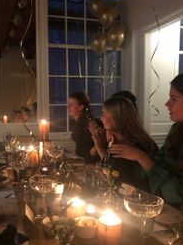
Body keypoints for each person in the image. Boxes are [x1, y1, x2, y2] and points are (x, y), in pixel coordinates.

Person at [109, 74, 183, 208]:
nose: (167, 103)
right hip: (163, 206)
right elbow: (160, 165)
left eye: (174, 98)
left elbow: (176, 194)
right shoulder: (177, 129)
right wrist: (131, 149)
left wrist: (141, 157)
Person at [92, 96, 159, 192]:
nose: (101, 119)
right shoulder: (115, 139)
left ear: (116, 117)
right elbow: (109, 171)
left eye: (103, 114)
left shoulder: (138, 143)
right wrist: (99, 147)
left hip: (138, 199)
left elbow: (125, 179)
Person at [68, 92, 102, 163]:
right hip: (82, 161)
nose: (68, 107)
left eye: (71, 105)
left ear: (81, 107)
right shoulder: (79, 122)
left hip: (90, 163)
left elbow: (92, 149)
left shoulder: (88, 123)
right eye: (68, 104)